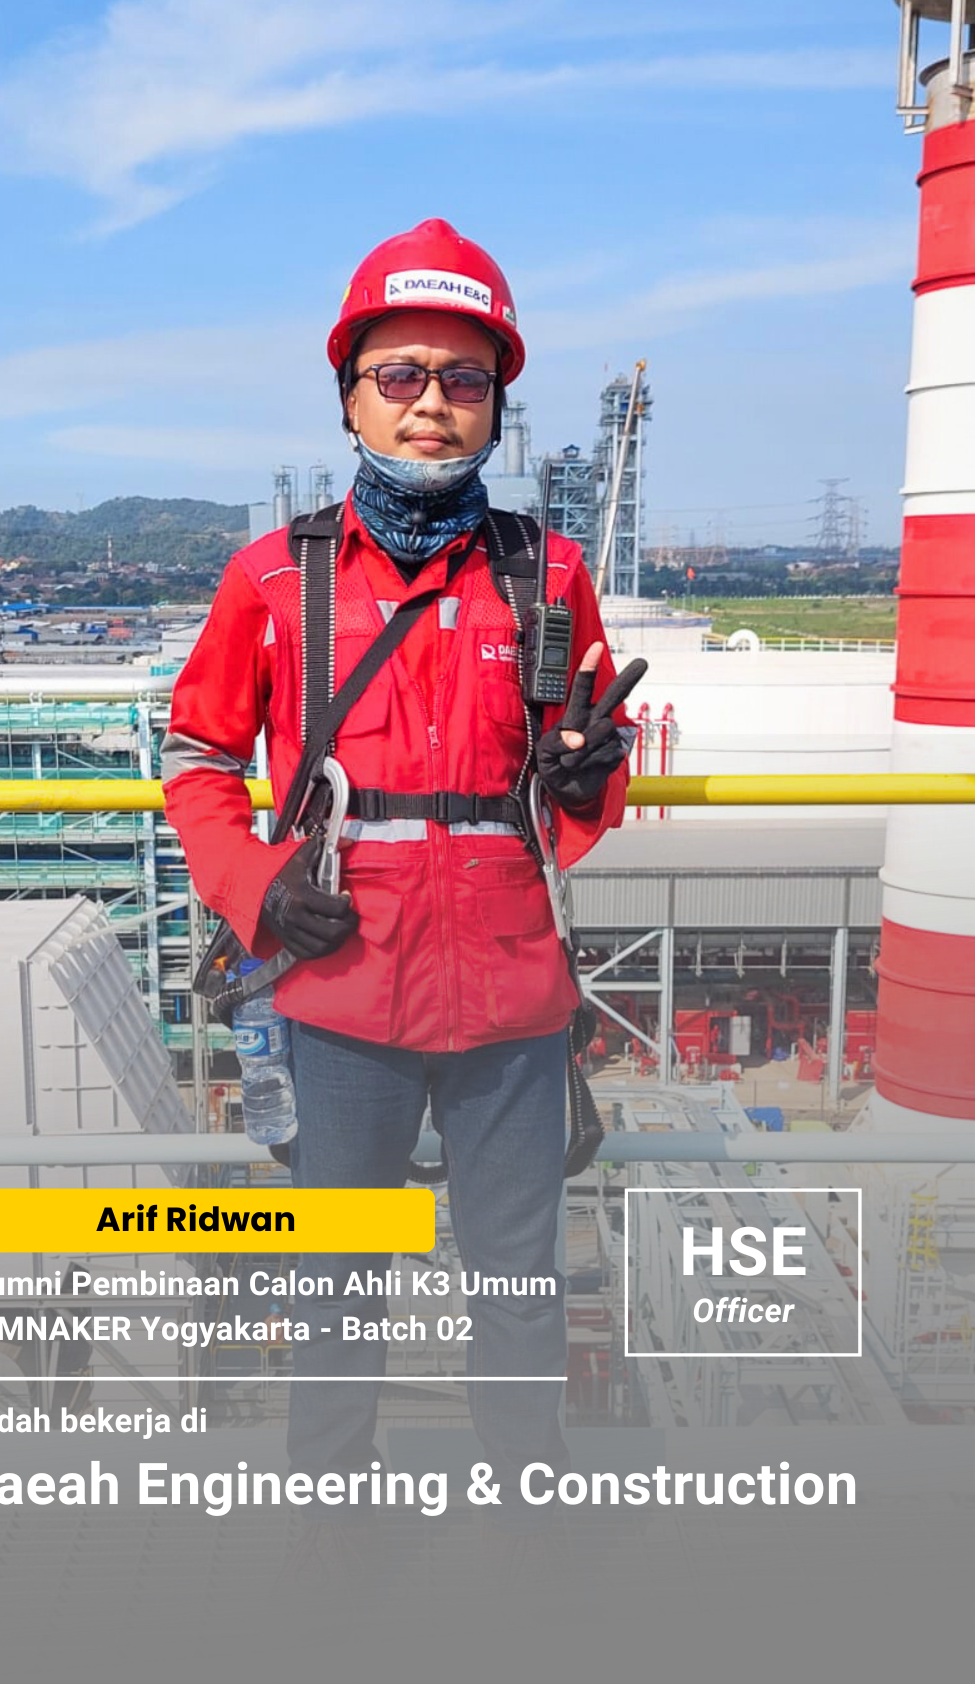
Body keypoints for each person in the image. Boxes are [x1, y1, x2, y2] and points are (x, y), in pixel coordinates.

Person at [161, 217, 635, 1493]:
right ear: (351, 397)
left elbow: (587, 751)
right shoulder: (277, 578)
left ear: (497, 404)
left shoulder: (548, 573)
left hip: (510, 993)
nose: (432, 403)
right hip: (342, 989)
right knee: (337, 1280)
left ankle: (526, 1502)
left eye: (463, 377)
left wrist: (589, 775)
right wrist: (258, 887)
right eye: (401, 374)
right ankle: (334, 1508)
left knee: (520, 1283)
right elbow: (198, 757)